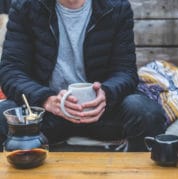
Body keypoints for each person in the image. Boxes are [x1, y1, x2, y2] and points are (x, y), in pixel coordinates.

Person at [0, 0, 166, 152]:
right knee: (3, 113)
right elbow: (11, 71)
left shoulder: (116, 7)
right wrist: (46, 99)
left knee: (147, 112)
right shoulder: (27, 6)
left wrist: (106, 94)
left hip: (101, 112)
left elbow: (126, 71)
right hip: (46, 112)